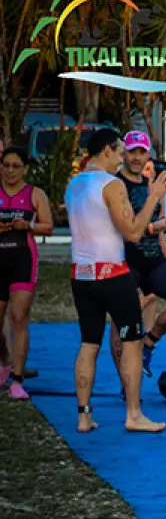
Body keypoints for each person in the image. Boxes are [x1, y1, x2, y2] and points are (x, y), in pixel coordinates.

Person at [65, 129, 166, 434]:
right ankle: (133, 414)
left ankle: (84, 416)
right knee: (133, 344)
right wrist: (153, 198)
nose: (123, 156)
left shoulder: (74, 183)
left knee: (88, 343)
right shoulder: (112, 185)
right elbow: (133, 232)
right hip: (112, 274)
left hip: (81, 275)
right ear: (107, 150)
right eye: (120, 150)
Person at [112, 132, 166, 379]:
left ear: (148, 154)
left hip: (153, 259)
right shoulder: (117, 185)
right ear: (123, 154)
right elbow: (126, 229)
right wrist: (153, 226)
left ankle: (148, 343)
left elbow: (154, 224)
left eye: (142, 152)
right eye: (132, 152)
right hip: (126, 260)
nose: (137, 158)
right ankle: (125, 384)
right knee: (123, 323)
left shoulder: (152, 185)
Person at [0, 147, 53, 399]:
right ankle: (5, 363)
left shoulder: (35, 194)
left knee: (19, 319)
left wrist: (28, 225)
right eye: (6, 165)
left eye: (15, 166)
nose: (10, 171)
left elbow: (49, 227)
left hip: (23, 262)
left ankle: (17, 381)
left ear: (25, 168)